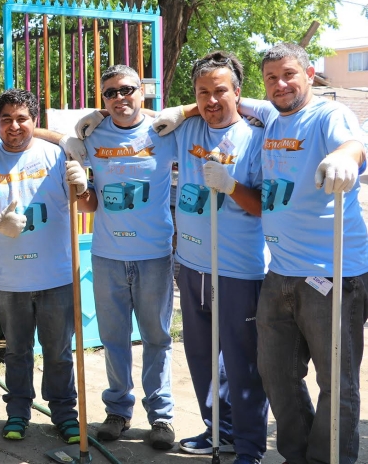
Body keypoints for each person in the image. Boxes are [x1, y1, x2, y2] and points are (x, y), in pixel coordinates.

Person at [155, 43, 368, 464]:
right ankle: (296, 454)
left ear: (310, 73)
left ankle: (329, 459)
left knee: (335, 381)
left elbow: (353, 142)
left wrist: (347, 156)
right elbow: (221, 96)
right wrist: (181, 111)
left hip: (332, 272)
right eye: (271, 78)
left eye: (289, 74)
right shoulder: (271, 115)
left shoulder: (327, 114)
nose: (281, 84)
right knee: (276, 375)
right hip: (280, 272)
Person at [0, 89, 87, 444]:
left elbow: (89, 207)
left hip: (57, 276)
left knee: (59, 353)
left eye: (21, 119)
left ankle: (64, 414)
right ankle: (18, 412)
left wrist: (83, 186)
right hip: (9, 279)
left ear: (34, 121)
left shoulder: (57, 156)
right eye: (6, 120)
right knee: (16, 351)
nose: (14, 126)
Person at [71, 65, 177, 449]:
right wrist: (81, 184)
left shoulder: (165, 130)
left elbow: (213, 106)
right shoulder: (94, 134)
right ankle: (118, 410)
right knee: (113, 338)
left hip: (153, 255)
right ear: (103, 100)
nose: (120, 98)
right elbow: (90, 204)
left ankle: (161, 416)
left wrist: (181, 111)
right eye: (110, 93)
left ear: (143, 92)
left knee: (156, 337)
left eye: (127, 90)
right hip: (107, 256)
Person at [169, 52, 268, 463]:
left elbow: (265, 205)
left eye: (220, 91)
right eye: (202, 93)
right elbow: (137, 122)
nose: (212, 100)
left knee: (242, 362)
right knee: (202, 358)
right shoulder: (187, 128)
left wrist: (230, 187)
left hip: (238, 269)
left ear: (238, 93)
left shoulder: (258, 136)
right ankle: (219, 431)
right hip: (192, 266)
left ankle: (249, 446)